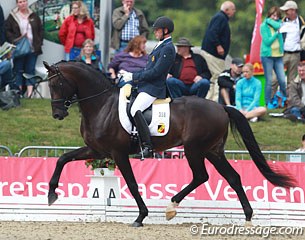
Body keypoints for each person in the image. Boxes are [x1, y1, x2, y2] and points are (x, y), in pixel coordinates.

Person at [119, 16, 175, 158]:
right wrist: (132, 75)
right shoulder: (160, 45)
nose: (155, 32)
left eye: (157, 30)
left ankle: (147, 146)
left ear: (165, 30)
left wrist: (133, 77)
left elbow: (156, 72)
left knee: (135, 109)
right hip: (145, 85)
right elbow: (147, 69)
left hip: (154, 87)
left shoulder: (168, 48)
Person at [5, 0, 43, 98]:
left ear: (27, 2)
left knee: (30, 71)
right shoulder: (12, 16)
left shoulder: (33, 15)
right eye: (20, 2)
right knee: (18, 70)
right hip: (19, 49)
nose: (22, 4)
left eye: (24, 1)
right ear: (17, 4)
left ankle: (30, 95)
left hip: (32, 48)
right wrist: (15, 40)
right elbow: (7, 31)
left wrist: (39, 42)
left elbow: (40, 29)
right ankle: (18, 93)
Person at [201, 1, 236, 102]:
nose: (234, 12)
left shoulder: (221, 18)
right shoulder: (220, 17)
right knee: (218, 76)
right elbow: (212, 32)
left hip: (214, 54)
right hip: (213, 54)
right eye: (233, 9)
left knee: (213, 78)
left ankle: (209, 99)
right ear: (227, 10)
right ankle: (214, 100)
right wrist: (218, 45)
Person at [260, 6, 287, 109]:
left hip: (278, 55)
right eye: (273, 15)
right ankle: (268, 102)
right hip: (267, 56)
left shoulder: (281, 26)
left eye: (277, 16)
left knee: (282, 80)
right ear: (269, 16)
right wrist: (277, 33)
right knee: (269, 80)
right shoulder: (264, 26)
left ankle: (284, 98)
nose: (275, 18)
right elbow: (267, 42)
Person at [279, 1, 305, 92]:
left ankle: (290, 100)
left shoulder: (301, 23)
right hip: (283, 54)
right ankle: (272, 100)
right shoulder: (282, 22)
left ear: (293, 11)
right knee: (275, 77)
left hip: (296, 54)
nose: (285, 12)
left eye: (287, 10)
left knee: (292, 80)